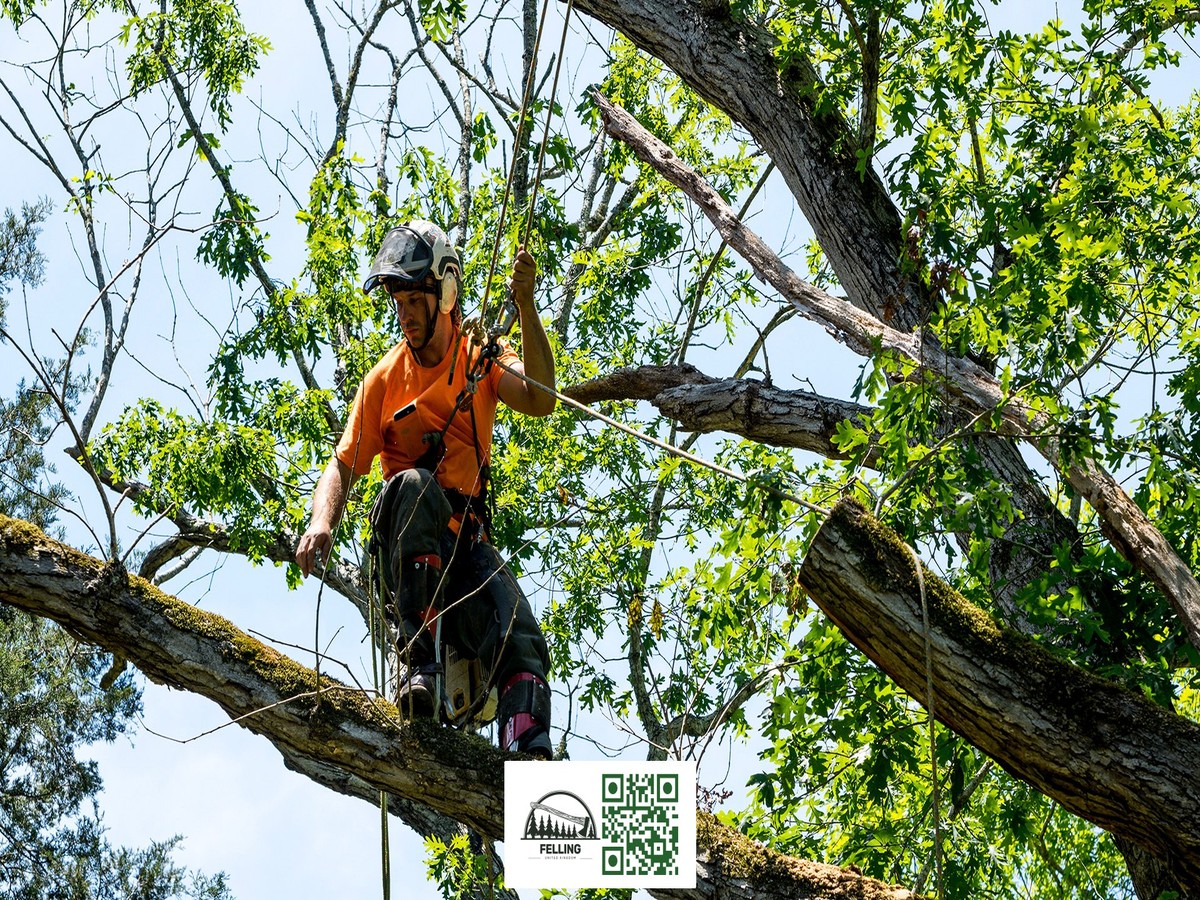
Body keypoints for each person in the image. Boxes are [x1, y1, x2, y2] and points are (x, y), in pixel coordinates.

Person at [295, 219, 556, 758]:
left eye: (415, 299)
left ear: (446, 292)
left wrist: (526, 305)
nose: (405, 313)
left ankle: (526, 756)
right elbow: (343, 464)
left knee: (523, 636)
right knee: (415, 485)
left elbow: (540, 399)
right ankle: (419, 662)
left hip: (466, 546)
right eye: (399, 301)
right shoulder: (384, 380)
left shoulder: (479, 356)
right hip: (411, 550)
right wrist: (321, 520)